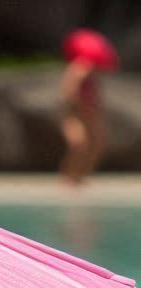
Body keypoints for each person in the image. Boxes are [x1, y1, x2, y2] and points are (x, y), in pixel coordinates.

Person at [60, 28, 118, 186]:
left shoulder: (92, 72)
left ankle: (81, 176)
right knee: (79, 144)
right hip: (75, 114)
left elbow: (96, 96)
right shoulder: (77, 69)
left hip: (90, 115)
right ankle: (68, 178)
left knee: (98, 144)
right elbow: (68, 92)